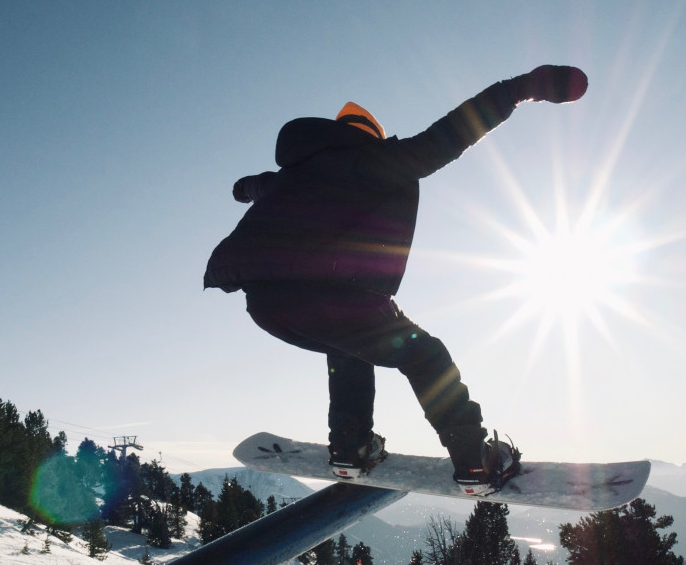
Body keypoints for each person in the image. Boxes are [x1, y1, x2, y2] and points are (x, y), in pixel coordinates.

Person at [204, 65, 590, 487]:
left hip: (265, 303)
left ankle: (350, 448)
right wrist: (521, 89)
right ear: (371, 135)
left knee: (350, 349)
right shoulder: (379, 161)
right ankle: (474, 459)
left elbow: (257, 186)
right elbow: (451, 133)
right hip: (336, 295)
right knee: (425, 355)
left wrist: (243, 188)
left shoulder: (293, 175)